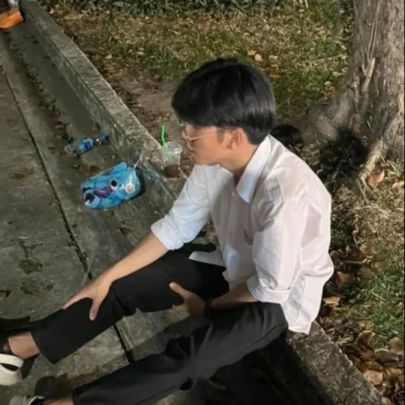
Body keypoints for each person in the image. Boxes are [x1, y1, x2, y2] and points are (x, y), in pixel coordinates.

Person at [1, 58, 334, 405]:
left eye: (194, 127)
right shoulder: (217, 162)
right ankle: (18, 348)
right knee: (121, 285)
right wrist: (105, 278)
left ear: (233, 136)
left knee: (187, 360)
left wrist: (208, 307)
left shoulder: (285, 195)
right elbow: (177, 226)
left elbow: (270, 287)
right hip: (232, 267)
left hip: (275, 300)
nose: (184, 134)